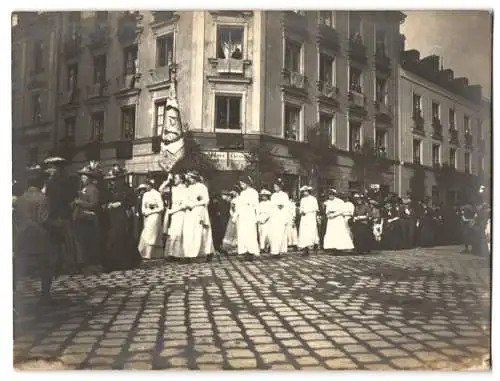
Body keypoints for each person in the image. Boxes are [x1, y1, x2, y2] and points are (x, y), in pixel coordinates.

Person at [13, 165, 59, 304]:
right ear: (41, 183)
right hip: (40, 236)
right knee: (46, 265)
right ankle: (45, 295)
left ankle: (14, 295)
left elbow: (16, 219)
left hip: (23, 236)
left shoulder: (20, 199)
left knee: (19, 266)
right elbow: (44, 219)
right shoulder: (43, 198)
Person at [43, 156, 81, 274]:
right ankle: (64, 265)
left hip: (61, 216)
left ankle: (68, 265)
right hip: (59, 215)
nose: (49, 170)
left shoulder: (55, 183)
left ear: (58, 169)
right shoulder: (64, 182)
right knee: (61, 242)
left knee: (64, 242)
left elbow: (56, 200)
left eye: (52, 168)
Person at [102, 165, 142, 272]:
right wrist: (108, 205)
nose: (114, 181)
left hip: (123, 215)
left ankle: (124, 262)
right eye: (113, 179)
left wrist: (121, 203)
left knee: (120, 237)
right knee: (115, 237)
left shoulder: (128, 189)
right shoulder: (111, 189)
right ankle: (115, 262)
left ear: (121, 179)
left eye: (116, 179)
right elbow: (105, 201)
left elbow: (133, 202)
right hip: (113, 216)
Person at [73, 163, 101, 267]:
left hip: (89, 218)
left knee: (90, 240)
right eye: (81, 177)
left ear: (89, 178)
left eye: (84, 177)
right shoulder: (83, 189)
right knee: (82, 240)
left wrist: (80, 203)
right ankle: (85, 260)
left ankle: (92, 261)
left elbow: (94, 204)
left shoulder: (93, 189)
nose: (82, 179)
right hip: (82, 218)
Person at [182, 170, 215, 261]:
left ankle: (208, 252)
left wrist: (195, 204)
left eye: (191, 178)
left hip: (200, 211)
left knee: (202, 232)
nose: (190, 180)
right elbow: (185, 199)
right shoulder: (188, 188)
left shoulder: (202, 187)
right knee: (189, 233)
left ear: (195, 178)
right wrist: (187, 205)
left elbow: (206, 200)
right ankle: (188, 254)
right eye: (189, 178)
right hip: (190, 213)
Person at [234, 176, 260, 261]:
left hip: (250, 215)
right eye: (240, 184)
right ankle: (245, 251)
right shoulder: (242, 193)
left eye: (242, 184)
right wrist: (236, 215)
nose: (241, 186)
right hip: (242, 215)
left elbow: (256, 205)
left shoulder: (254, 192)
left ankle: (250, 252)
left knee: (250, 234)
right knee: (243, 233)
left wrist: (257, 216)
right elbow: (239, 205)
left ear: (247, 183)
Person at [138, 178, 165, 259]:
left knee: (152, 234)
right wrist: (144, 211)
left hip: (155, 215)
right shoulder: (145, 194)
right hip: (147, 216)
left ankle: (149, 254)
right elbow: (143, 205)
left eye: (148, 185)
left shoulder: (156, 194)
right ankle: (144, 252)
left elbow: (161, 207)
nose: (147, 187)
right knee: (145, 233)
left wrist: (151, 212)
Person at [323, 188, 354, 253]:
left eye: (332, 195)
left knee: (338, 232)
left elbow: (342, 210)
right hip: (331, 220)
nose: (330, 196)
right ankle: (332, 247)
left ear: (334, 195)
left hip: (338, 219)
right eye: (329, 195)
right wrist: (328, 215)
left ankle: (339, 248)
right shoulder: (328, 202)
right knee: (331, 233)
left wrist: (335, 214)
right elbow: (327, 211)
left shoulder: (340, 201)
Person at [164, 173, 187, 260]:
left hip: (180, 213)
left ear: (181, 180)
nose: (174, 179)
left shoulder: (184, 189)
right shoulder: (173, 189)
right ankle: (172, 253)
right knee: (172, 233)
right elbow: (160, 189)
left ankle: (179, 254)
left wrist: (173, 211)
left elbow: (184, 205)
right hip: (173, 214)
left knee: (178, 233)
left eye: (176, 178)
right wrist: (167, 181)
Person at [269, 179, 290, 258]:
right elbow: (271, 206)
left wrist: (280, 207)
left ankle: (279, 251)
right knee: (274, 234)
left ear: (280, 187)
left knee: (280, 234)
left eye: (277, 186)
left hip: (281, 217)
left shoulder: (284, 195)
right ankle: (274, 251)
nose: (275, 188)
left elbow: (286, 206)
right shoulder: (273, 195)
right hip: (274, 217)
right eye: (274, 186)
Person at [298, 186, 319, 256]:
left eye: (306, 191)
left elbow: (315, 208)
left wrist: (307, 211)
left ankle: (314, 246)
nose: (305, 193)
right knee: (304, 233)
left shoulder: (313, 199)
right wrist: (301, 211)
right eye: (304, 191)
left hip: (310, 217)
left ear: (309, 192)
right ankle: (305, 249)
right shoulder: (302, 200)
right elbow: (301, 208)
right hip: (304, 218)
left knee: (311, 232)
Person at [222, 189, 239, 254]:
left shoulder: (234, 201)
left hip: (234, 218)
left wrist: (234, 218)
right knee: (232, 232)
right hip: (232, 217)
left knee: (233, 232)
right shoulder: (232, 201)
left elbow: (235, 210)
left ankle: (235, 248)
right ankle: (232, 248)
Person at [257, 189, 272, 253]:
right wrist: (259, 219)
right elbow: (258, 212)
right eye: (263, 196)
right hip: (261, 218)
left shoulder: (270, 203)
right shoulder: (260, 203)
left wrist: (265, 219)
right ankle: (262, 247)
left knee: (268, 234)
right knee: (261, 234)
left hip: (268, 219)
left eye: (265, 196)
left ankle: (269, 246)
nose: (264, 197)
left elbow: (270, 213)